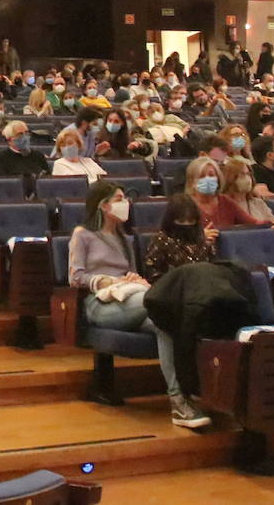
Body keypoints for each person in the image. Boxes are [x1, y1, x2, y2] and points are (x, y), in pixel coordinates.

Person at [70, 182, 209, 428]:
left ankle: (179, 400)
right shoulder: (83, 234)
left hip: (129, 296)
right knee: (164, 305)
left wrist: (135, 278)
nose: (126, 204)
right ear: (104, 205)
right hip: (100, 303)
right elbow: (75, 277)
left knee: (165, 323)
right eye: (120, 198)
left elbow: (131, 272)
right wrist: (101, 280)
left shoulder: (125, 237)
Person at [184, 156, 269, 231]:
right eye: (202, 176)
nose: (208, 179)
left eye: (211, 175)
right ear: (192, 182)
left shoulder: (225, 201)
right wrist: (201, 237)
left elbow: (253, 223)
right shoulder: (184, 205)